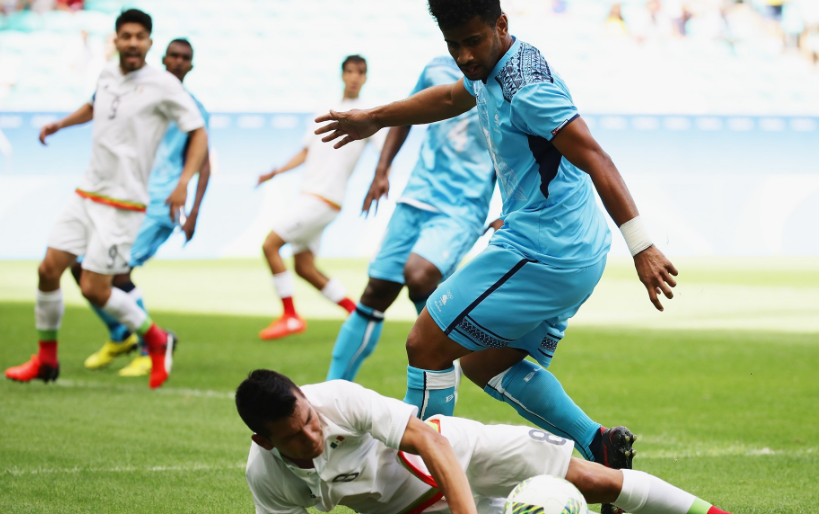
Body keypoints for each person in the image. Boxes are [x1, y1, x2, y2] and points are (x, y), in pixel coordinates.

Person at [316, 0, 679, 479]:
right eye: (454, 45)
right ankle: (600, 446)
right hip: (574, 248)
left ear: (501, 25)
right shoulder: (492, 65)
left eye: (472, 42)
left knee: (426, 345)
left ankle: (426, 483)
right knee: (482, 363)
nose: (464, 56)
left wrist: (643, 246)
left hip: (545, 250)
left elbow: (596, 157)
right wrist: (377, 117)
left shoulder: (526, 89)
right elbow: (451, 98)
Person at [4, 9, 208, 389]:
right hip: (86, 193)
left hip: (123, 204)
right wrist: (61, 124)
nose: (132, 42)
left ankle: (156, 340)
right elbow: (95, 105)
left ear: (149, 42)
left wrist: (184, 184)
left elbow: (198, 132)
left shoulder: (164, 85)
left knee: (95, 289)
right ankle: (46, 360)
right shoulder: (107, 73)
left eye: (140, 36)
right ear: (116, 40)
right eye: (126, 35)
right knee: (48, 270)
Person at [236, 369, 728, 514]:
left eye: (309, 419)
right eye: (294, 436)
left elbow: (429, 443)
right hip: (414, 509)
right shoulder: (265, 476)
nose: (312, 434)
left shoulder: (338, 399)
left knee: (593, 479)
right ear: (264, 440)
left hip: (458, 449)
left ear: (305, 399)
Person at [326, 55, 497, 382]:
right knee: (376, 291)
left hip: (462, 206)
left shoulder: (502, 79)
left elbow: (516, 149)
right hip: (416, 195)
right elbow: (404, 116)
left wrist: (507, 211)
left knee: (419, 274)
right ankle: (332, 390)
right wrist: (381, 171)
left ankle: (443, 366)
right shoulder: (435, 69)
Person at [75, 38, 211, 377]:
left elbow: (204, 162)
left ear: (191, 65)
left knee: (117, 273)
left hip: (162, 203)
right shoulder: (143, 95)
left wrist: (194, 210)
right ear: (163, 59)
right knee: (78, 264)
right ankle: (121, 335)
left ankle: (152, 347)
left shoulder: (194, 108)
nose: (178, 61)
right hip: (126, 196)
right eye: (174, 56)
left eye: (185, 58)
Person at [255, 55, 379, 341]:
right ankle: (357, 315)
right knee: (304, 267)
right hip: (312, 196)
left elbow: (385, 149)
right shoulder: (326, 109)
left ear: (365, 77)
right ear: (342, 75)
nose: (355, 77)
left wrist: (379, 178)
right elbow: (305, 151)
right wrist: (275, 172)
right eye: (350, 71)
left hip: (323, 199)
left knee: (271, 245)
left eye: (360, 72)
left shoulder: (367, 115)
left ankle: (290, 316)